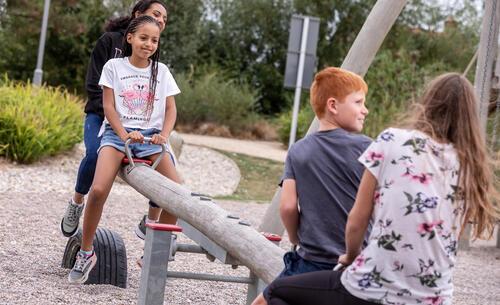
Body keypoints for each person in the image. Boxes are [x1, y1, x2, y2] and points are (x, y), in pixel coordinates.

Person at [257, 73, 500, 305]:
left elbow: (357, 219)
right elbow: (450, 237)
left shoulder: (391, 141)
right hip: (436, 295)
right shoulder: (473, 166)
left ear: (428, 103)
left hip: (372, 287)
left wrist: (350, 258)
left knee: (279, 292)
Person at [68, 15, 181, 284]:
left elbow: (170, 109)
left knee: (177, 193)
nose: (149, 44)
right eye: (143, 38)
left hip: (151, 139)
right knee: (97, 191)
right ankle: (86, 252)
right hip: (119, 137)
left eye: (154, 40)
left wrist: (163, 135)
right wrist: (123, 134)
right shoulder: (113, 67)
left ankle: (154, 249)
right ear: (129, 38)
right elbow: (108, 107)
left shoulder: (161, 71)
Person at [252, 67, 372, 305]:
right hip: (357, 263)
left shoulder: (298, 150)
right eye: (359, 102)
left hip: (311, 262)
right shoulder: (368, 148)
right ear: (333, 105)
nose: (365, 110)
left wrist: (297, 239)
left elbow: (287, 207)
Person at [60, 0, 169, 240]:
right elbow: (94, 86)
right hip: (101, 114)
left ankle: (153, 213)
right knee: (93, 153)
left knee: (164, 165)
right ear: (138, 15)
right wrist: (118, 121)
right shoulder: (109, 41)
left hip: (135, 124)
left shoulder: (153, 53)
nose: (160, 20)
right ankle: (77, 202)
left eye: (164, 19)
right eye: (156, 14)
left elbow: (161, 98)